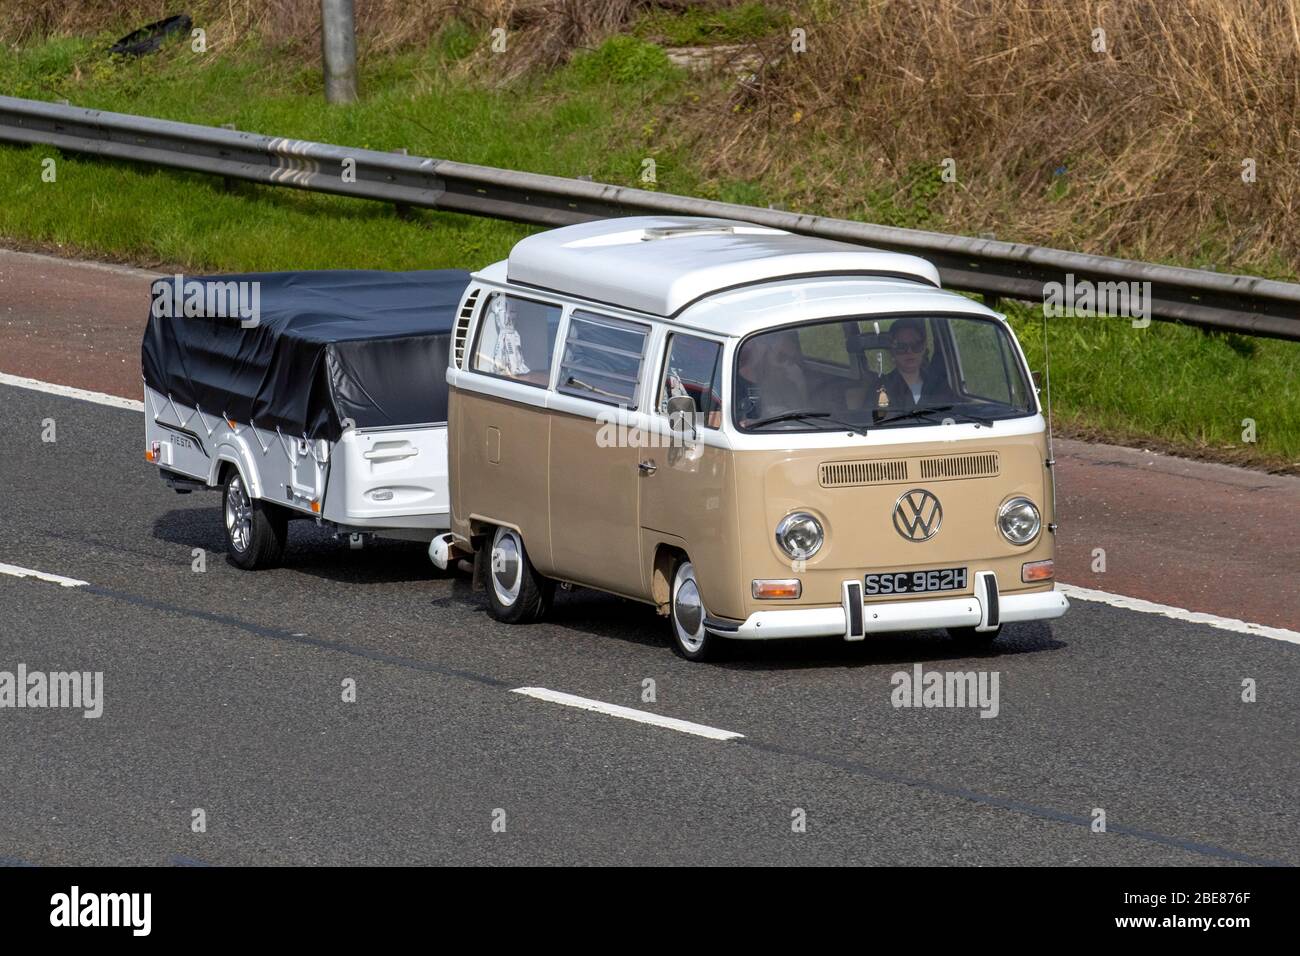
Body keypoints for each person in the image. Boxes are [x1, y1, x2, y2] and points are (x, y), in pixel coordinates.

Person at [735, 330, 811, 424]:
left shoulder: (787, 383)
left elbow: (803, 414)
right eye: (781, 357)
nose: (787, 365)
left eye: (790, 360)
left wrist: (799, 382)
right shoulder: (734, 382)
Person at [875, 317, 952, 409]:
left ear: (924, 348)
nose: (909, 352)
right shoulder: (880, 387)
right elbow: (874, 419)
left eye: (916, 345)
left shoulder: (939, 384)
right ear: (892, 351)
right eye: (901, 346)